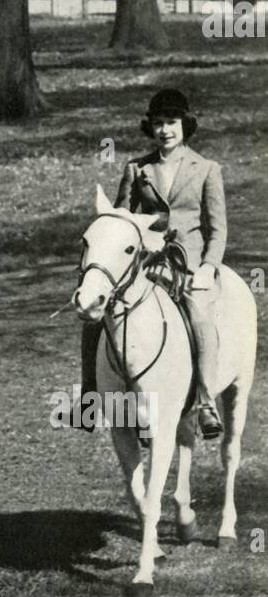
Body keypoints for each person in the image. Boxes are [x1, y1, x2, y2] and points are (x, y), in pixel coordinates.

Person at [81, 88, 227, 438]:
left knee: (199, 314)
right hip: (144, 265)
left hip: (187, 264)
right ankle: (90, 397)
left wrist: (208, 266)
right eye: (159, 123)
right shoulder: (137, 168)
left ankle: (205, 402)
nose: (165, 130)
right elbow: (120, 219)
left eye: (172, 123)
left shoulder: (207, 169)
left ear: (185, 126)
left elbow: (217, 229)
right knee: (93, 315)